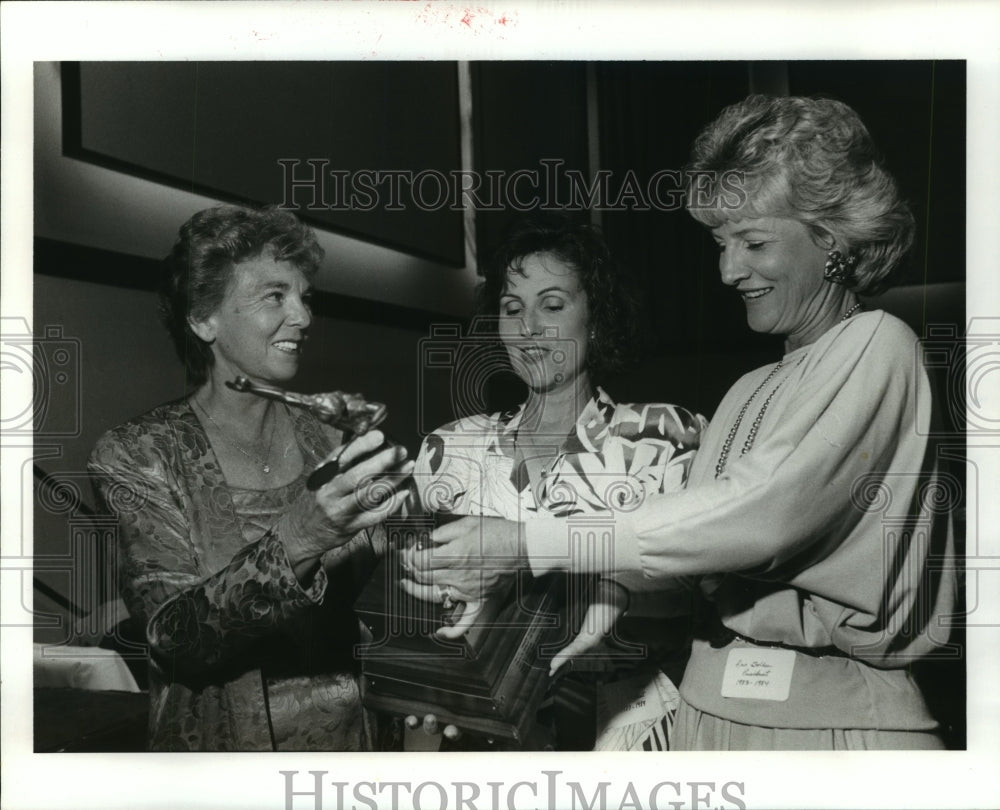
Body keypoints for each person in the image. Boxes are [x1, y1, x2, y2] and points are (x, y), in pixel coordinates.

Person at [405, 96, 957, 750]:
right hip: (707, 710)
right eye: (721, 244)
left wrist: (523, 543)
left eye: (752, 242)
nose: (728, 270)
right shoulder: (752, 386)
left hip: (830, 723)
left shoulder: (877, 344)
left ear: (831, 239)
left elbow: (756, 517)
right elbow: (685, 562)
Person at [88, 205, 412, 751]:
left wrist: (421, 546)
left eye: (304, 297)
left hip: (354, 754)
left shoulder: (333, 442)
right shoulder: (138, 455)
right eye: (274, 296)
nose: (304, 317)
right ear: (202, 318)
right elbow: (175, 635)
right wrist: (301, 537)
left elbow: (384, 606)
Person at [406, 215, 706, 750]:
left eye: (552, 304)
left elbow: (697, 583)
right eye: (512, 308)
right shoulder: (450, 450)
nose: (529, 328)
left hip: (629, 738)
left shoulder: (665, 438)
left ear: (596, 315)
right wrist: (431, 684)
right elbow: (417, 595)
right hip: (485, 737)